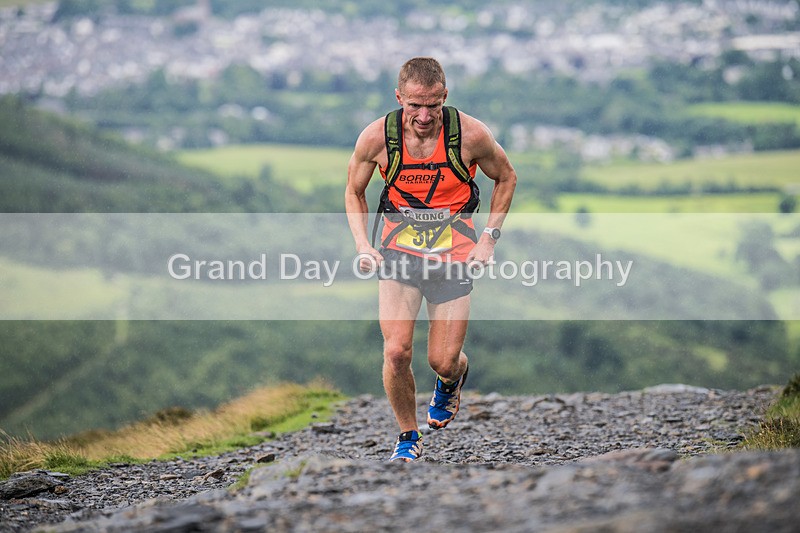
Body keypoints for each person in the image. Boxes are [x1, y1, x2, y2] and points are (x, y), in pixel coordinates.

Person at [345, 57, 517, 462]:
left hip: (454, 252)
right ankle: (407, 437)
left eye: (433, 106)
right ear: (399, 97)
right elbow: (353, 191)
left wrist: (489, 240)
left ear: (445, 97)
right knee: (396, 351)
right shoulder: (377, 137)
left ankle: (452, 376)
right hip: (397, 247)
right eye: (414, 106)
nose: (423, 116)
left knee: (442, 359)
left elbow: (506, 177)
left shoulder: (471, 134)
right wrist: (361, 244)